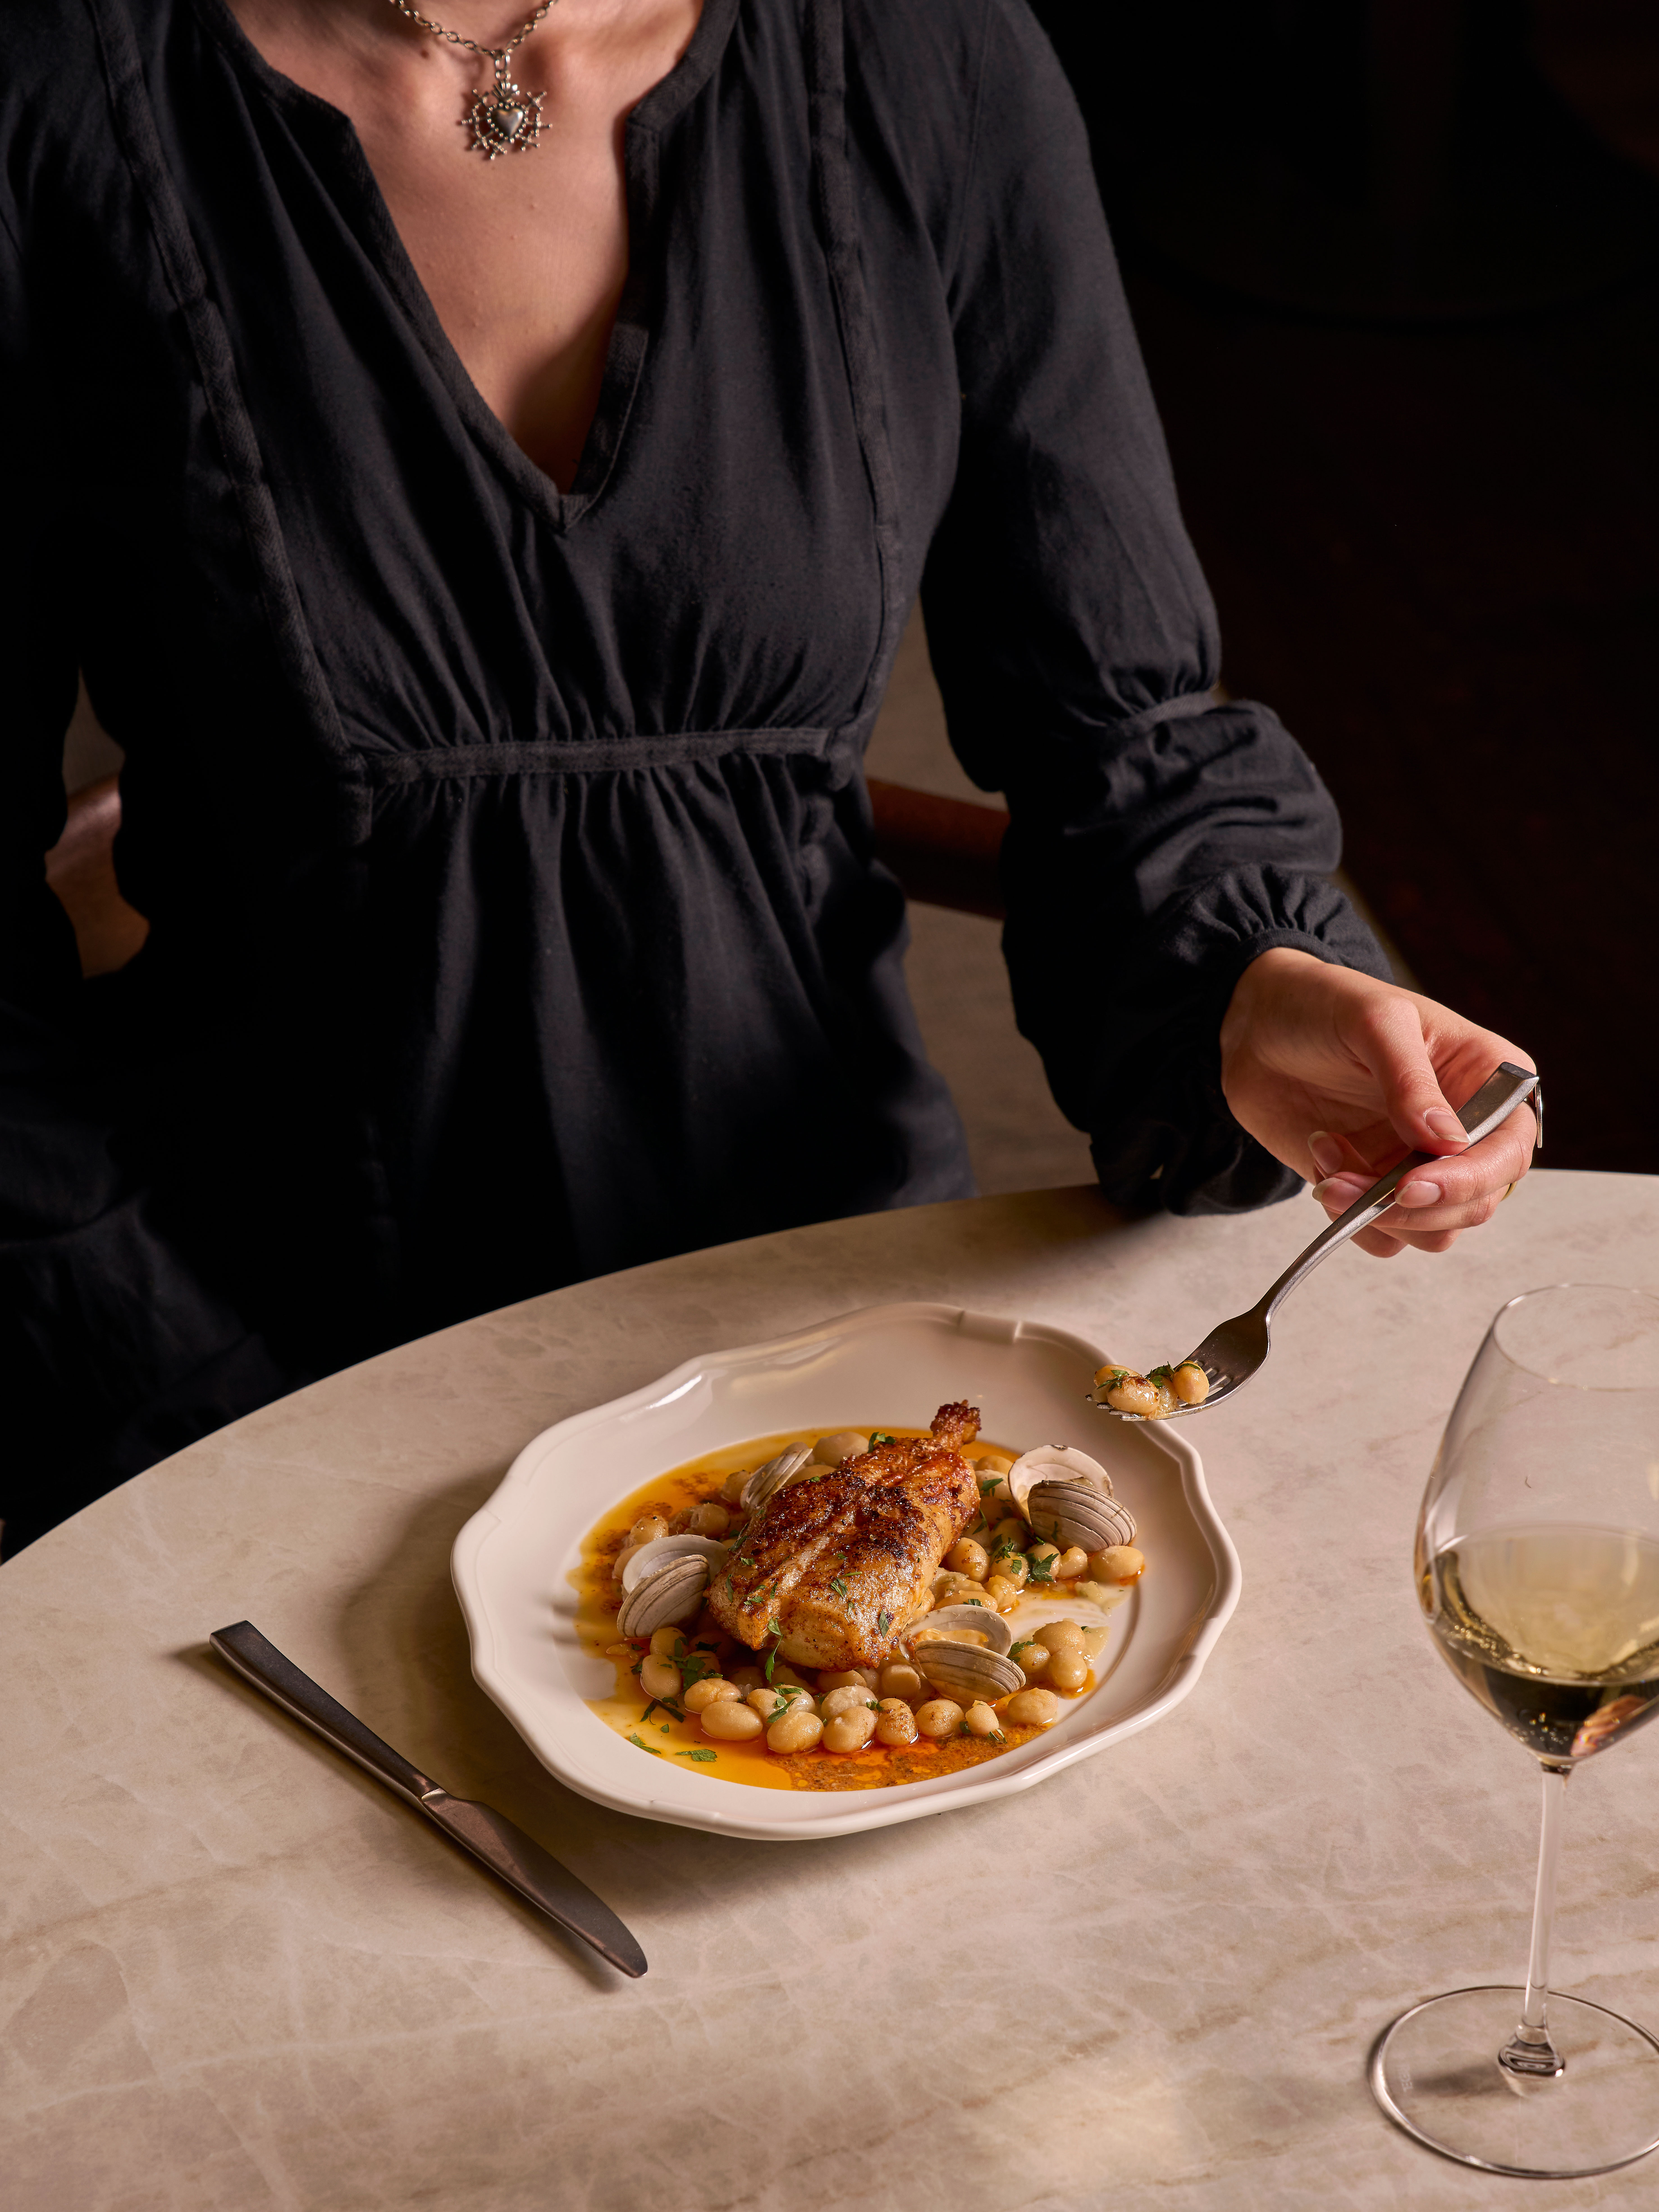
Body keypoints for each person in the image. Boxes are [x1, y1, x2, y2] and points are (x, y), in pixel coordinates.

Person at [0, 0, 1534, 1553]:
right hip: (259, 1344)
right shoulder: (43, 93)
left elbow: (1117, 729)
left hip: (835, 1365)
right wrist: (162, 1380)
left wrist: (1255, 985)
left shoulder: (925, 53)